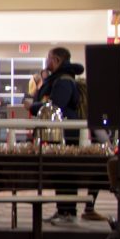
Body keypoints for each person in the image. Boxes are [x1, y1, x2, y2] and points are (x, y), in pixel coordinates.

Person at [27, 47, 86, 221]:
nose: (46, 61)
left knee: (65, 172)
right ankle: (63, 209)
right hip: (61, 132)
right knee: (61, 172)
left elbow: (56, 105)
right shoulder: (60, 79)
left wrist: (33, 106)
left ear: (57, 60)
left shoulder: (63, 81)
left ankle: (67, 211)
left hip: (64, 133)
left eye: (49, 58)